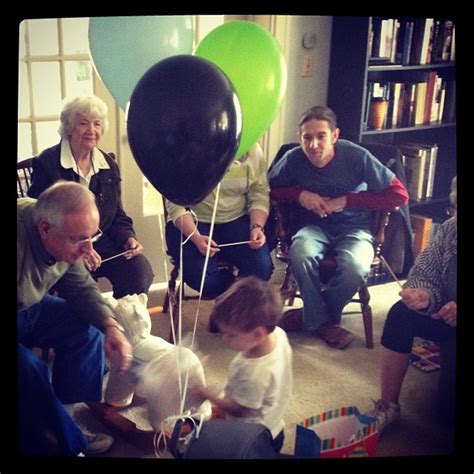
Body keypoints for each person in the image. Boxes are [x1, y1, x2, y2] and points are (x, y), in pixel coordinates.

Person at [268, 105, 408, 349]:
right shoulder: (293, 159)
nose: (313, 145)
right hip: (312, 226)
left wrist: (347, 200)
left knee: (356, 266)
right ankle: (324, 323)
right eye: (307, 137)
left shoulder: (357, 157)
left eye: (321, 136)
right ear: (300, 138)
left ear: (334, 135)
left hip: (355, 228)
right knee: (300, 254)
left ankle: (311, 316)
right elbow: (268, 189)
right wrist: (301, 195)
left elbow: (399, 195)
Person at [18, 181, 133, 456]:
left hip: (27, 306)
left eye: (92, 236)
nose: (88, 249)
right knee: (30, 369)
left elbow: (81, 288)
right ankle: (66, 445)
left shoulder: (62, 233)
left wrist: (111, 325)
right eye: (79, 239)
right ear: (45, 229)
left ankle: (64, 427)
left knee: (88, 331)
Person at [27, 95, 154, 299]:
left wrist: (128, 238)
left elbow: (117, 215)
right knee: (80, 291)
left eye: (97, 124)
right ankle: (89, 317)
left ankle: (119, 316)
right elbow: (39, 218)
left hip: (103, 242)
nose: (91, 130)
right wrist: (80, 247)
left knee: (138, 271)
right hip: (64, 246)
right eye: (83, 123)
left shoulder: (108, 165)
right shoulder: (47, 163)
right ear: (69, 127)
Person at [367, 176, 457, 433]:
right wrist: (424, 295)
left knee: (447, 418)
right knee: (400, 314)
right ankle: (389, 405)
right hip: (446, 316)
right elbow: (425, 272)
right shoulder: (450, 230)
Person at [193, 276, 293, 453]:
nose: (224, 339)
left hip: (251, 437)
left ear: (258, 334)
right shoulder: (278, 334)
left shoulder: (253, 373)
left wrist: (207, 394)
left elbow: (240, 411)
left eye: (231, 334)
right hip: (274, 423)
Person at [165, 143, 273, 299]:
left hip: (237, 218)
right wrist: (196, 238)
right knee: (204, 281)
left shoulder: (251, 148)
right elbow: (175, 204)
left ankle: (234, 302)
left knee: (261, 270)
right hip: (193, 222)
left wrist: (257, 227)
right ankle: (232, 298)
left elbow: (259, 194)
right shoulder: (185, 146)